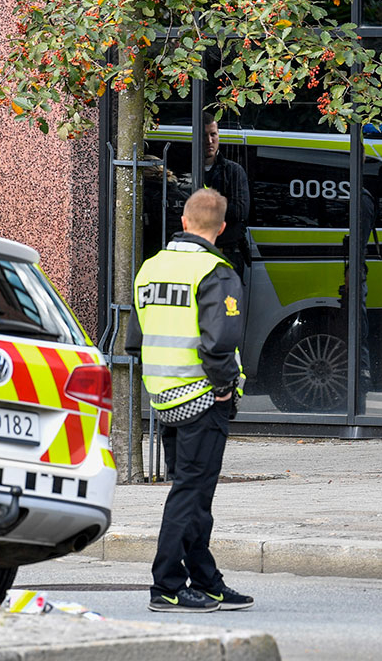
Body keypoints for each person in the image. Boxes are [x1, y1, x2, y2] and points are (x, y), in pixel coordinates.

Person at [130, 187, 254, 613]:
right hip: (204, 398)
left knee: (194, 494)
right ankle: (165, 586)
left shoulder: (150, 268)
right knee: (190, 494)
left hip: (164, 400)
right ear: (220, 229)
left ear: (184, 222)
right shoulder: (216, 272)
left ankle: (207, 580)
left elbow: (134, 341)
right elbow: (220, 344)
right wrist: (224, 388)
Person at [202, 120, 250, 275]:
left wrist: (203, 208)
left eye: (213, 134)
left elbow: (240, 211)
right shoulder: (186, 169)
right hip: (194, 254)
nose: (209, 141)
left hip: (226, 253)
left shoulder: (233, 171)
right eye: (204, 135)